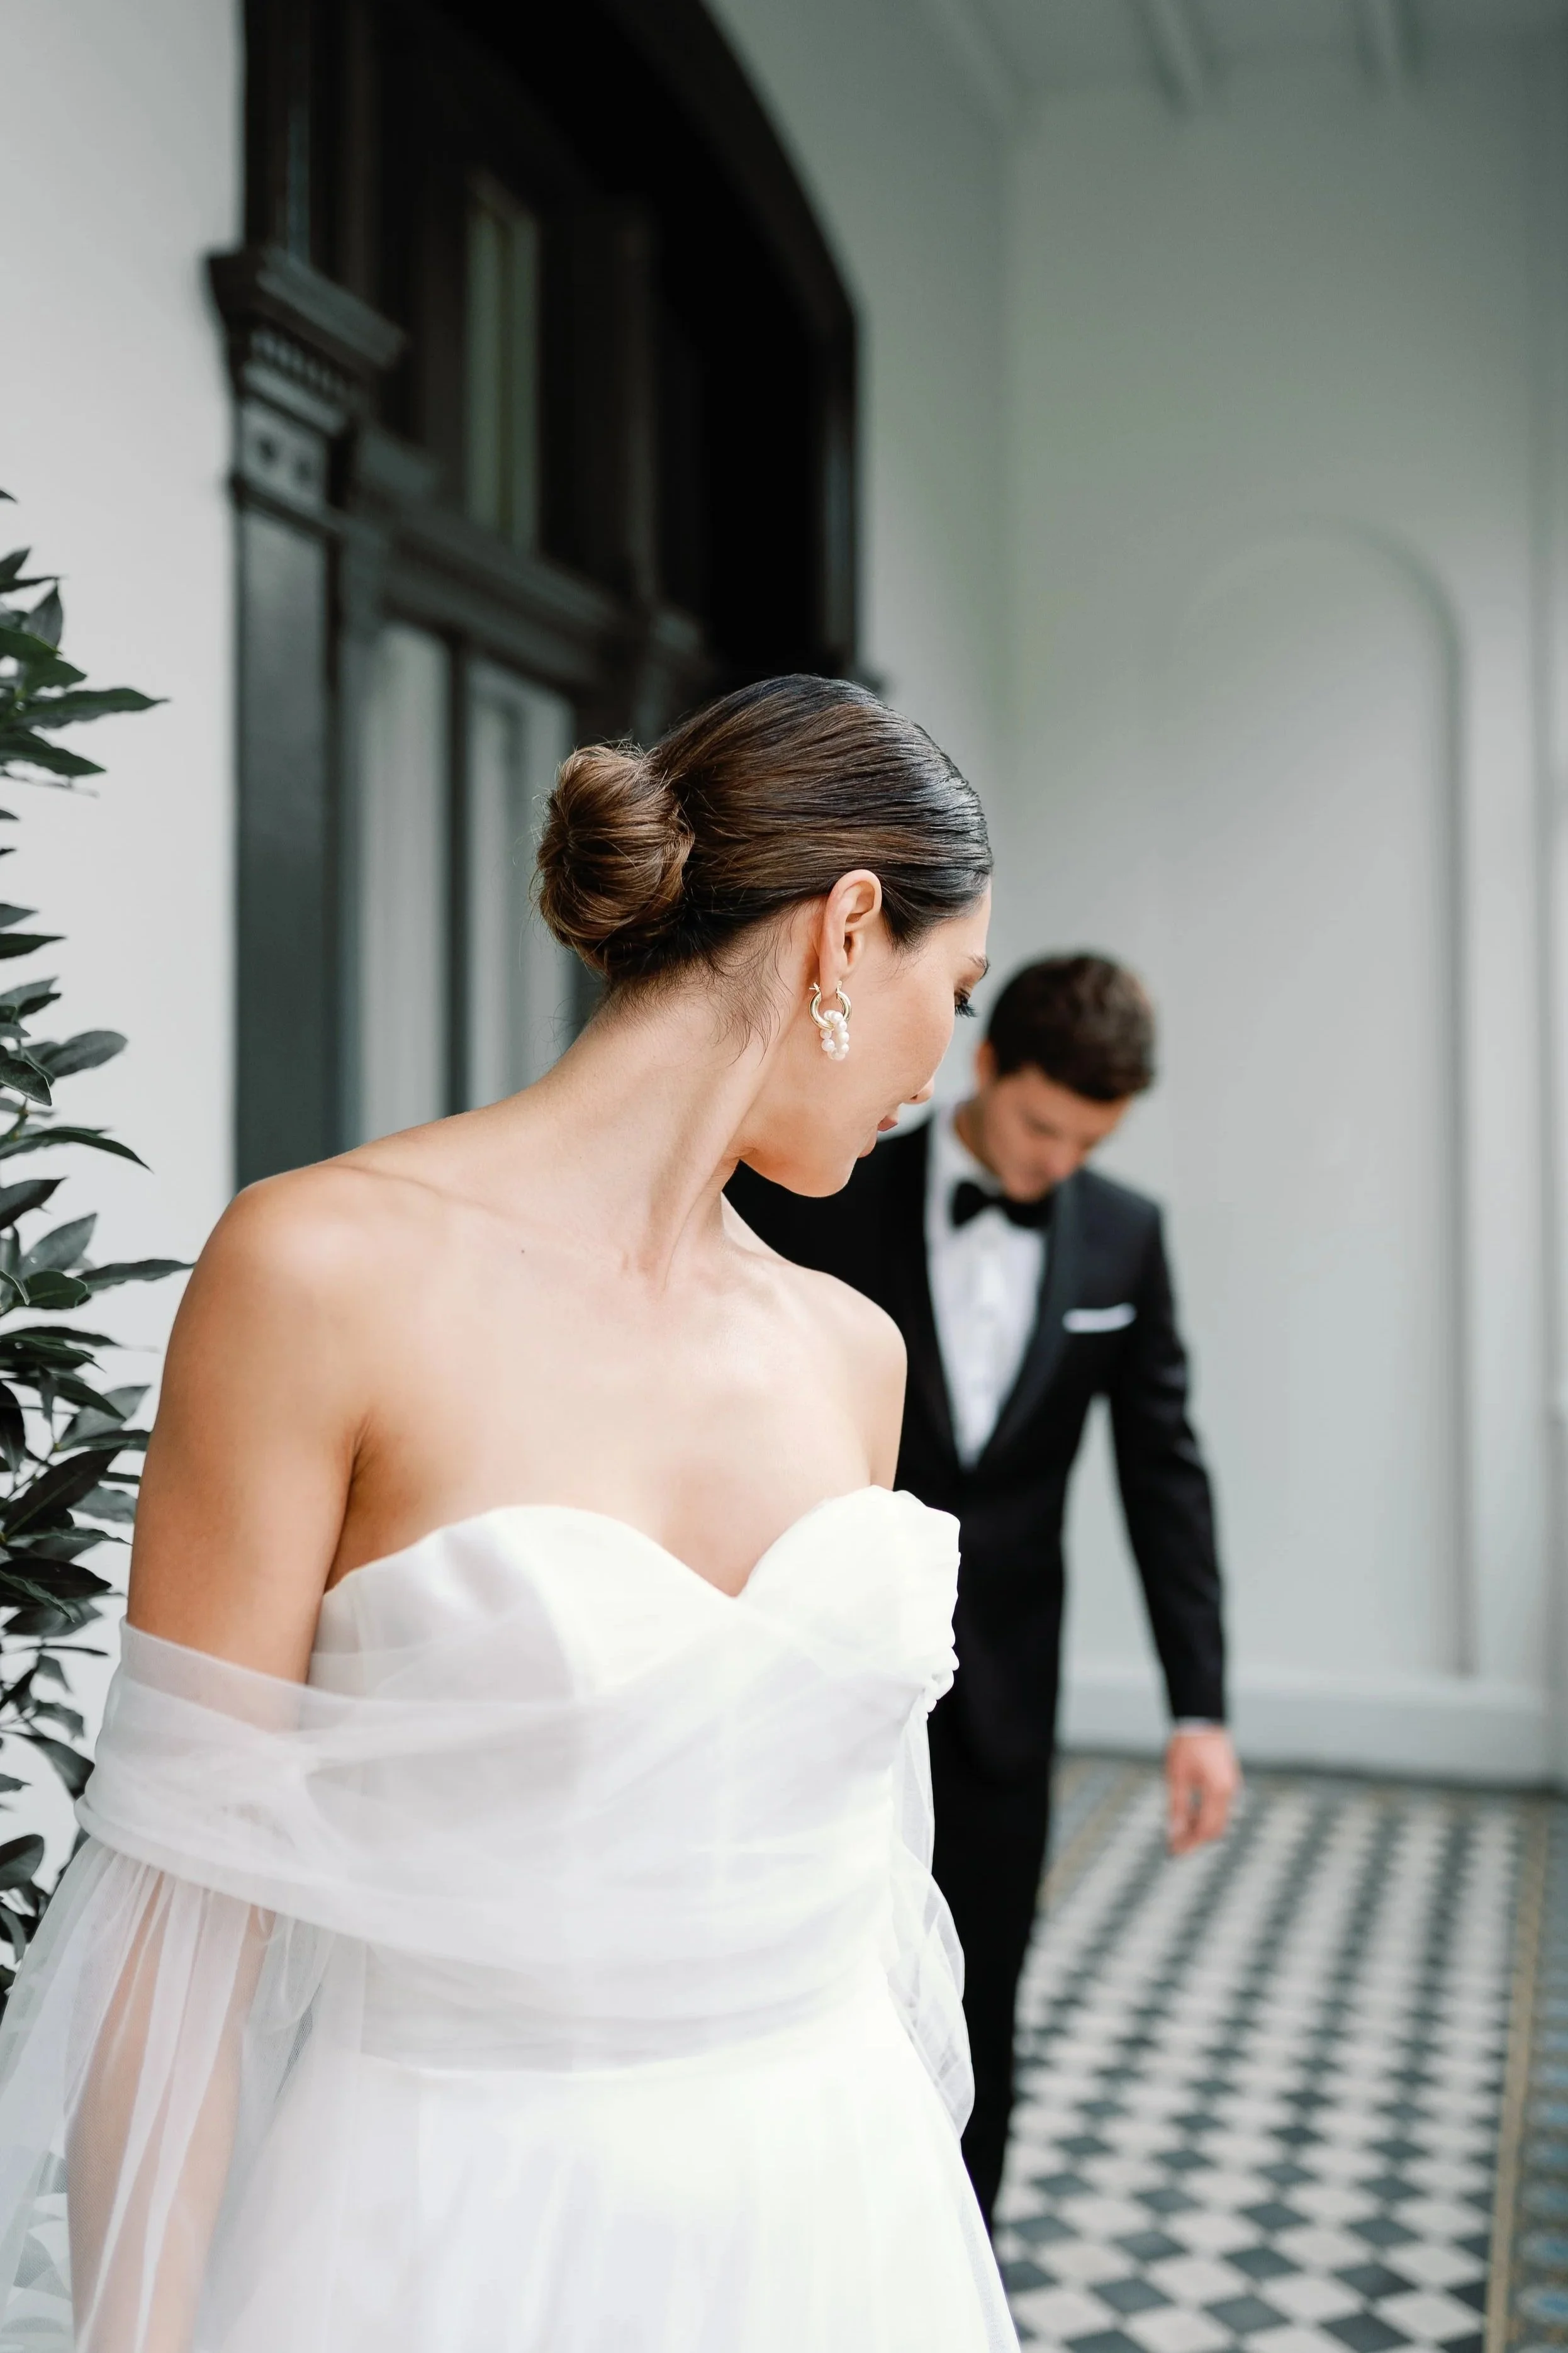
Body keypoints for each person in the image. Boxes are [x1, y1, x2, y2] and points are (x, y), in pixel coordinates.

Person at [0, 677, 1021, 2353]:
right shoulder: (318, 1272)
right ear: (850, 933)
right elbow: (179, 1913)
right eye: (953, 989)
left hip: (836, 2213)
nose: (943, 1060)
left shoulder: (851, 1355)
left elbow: (865, 1875)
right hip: (437, 2224)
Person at [728, 953, 1240, 2228]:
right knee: (804, 1975)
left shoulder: (1126, 1236)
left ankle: (955, 2276)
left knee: (980, 1994)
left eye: (1086, 1143)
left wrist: (1199, 1707)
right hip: (815, 1673)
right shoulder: (824, 1194)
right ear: (987, 1066)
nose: (1053, 1164)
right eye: (1039, 1127)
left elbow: (1161, 1474)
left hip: (1005, 1695)